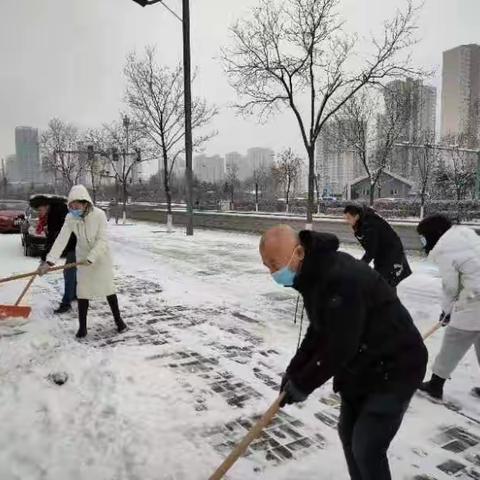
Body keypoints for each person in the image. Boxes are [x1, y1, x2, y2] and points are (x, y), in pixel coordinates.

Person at [260, 225, 427, 480]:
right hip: (363, 364)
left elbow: (341, 345)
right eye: (267, 266)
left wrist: (304, 383)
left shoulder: (340, 278)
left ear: (300, 252)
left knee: (367, 446)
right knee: (348, 435)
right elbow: (319, 331)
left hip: (396, 365)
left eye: (274, 263)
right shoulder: (313, 275)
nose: (273, 272)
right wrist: (293, 372)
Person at [38, 185, 127, 338]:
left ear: (85, 203)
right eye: (71, 206)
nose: (73, 209)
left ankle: (119, 321)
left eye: (76, 206)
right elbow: (61, 240)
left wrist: (92, 257)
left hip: (100, 256)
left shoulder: (99, 215)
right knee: (82, 291)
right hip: (82, 256)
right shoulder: (70, 217)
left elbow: (102, 240)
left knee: (108, 288)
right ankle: (82, 328)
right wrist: (49, 262)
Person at [417, 214, 480, 400]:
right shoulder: (465, 235)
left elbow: (451, 287)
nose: (423, 240)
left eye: (423, 236)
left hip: (474, 298)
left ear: (434, 233)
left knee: (454, 340)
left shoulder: (445, 248)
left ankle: (436, 384)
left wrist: (446, 311)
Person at [343, 205, 412, 288]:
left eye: (348, 218)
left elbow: (371, 251)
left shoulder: (369, 225)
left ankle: (388, 299)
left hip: (391, 255)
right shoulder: (364, 221)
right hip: (383, 254)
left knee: (383, 283)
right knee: (381, 283)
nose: (346, 221)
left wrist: (360, 266)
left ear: (356, 216)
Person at [31, 195, 77, 314]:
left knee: (69, 272)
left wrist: (45, 261)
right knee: (72, 271)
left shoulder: (57, 213)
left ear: (47, 206)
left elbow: (54, 238)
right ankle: (75, 295)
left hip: (77, 244)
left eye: (40, 210)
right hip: (73, 244)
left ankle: (66, 303)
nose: (39, 213)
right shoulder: (53, 212)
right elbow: (51, 238)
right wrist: (44, 260)